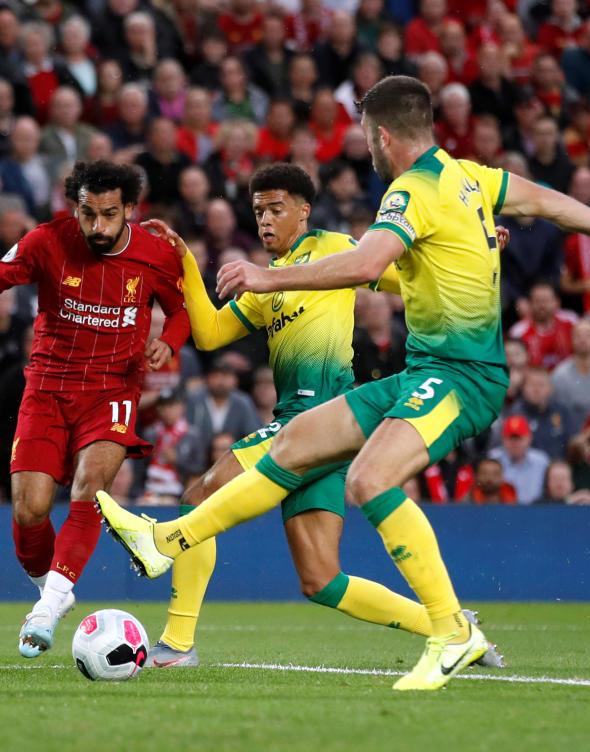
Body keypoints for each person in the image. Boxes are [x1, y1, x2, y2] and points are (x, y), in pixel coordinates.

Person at [96, 75, 590, 691]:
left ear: (381, 135)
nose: (364, 151)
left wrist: (268, 279)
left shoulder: (409, 192)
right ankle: (167, 541)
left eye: (363, 138)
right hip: (420, 373)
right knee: (295, 450)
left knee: (368, 480)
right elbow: (543, 201)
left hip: (463, 375)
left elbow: (369, 264)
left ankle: (453, 631)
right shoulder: (471, 177)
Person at [134, 164, 505, 669]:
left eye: (276, 208)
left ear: (303, 211)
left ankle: (177, 644)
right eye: (258, 210)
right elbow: (210, 334)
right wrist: (185, 263)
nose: (264, 220)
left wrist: (467, 251)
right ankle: (455, 627)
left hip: (317, 417)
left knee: (199, 495)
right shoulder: (271, 283)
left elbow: (405, 278)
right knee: (320, 580)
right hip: (324, 434)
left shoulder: (333, 249)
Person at [0, 161, 190, 658]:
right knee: (29, 509)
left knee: (90, 488)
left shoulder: (156, 255)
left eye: (107, 214)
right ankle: (54, 593)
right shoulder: (46, 241)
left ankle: (46, 609)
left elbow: (181, 311)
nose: (97, 227)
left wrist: (168, 340)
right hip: (48, 388)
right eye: (87, 214)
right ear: (73, 208)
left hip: (113, 390)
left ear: (129, 209)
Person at [488, 416, 550, 504]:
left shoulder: (541, 461)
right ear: (503, 439)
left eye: (519, 438)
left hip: (535, 511)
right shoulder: (493, 460)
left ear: (529, 438)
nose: (514, 443)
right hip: (502, 511)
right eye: (510, 438)